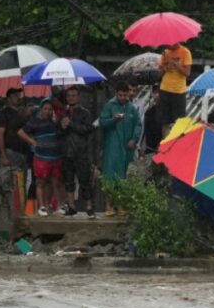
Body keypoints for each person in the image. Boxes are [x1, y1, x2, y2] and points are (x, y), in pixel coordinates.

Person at [18, 100, 69, 217]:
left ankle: (50, 205)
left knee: (55, 182)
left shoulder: (55, 122)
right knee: (41, 182)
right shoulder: (34, 122)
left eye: (50, 109)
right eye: (45, 109)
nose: (48, 111)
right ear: (41, 109)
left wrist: (63, 126)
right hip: (41, 157)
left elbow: (61, 134)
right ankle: (42, 207)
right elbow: (21, 132)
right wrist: (32, 141)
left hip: (55, 157)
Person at [100, 81, 142, 216]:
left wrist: (134, 139)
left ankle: (120, 204)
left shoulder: (131, 108)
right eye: (120, 95)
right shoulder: (110, 105)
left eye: (125, 95)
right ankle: (108, 205)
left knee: (123, 177)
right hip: (113, 147)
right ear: (116, 94)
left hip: (127, 147)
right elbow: (102, 122)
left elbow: (138, 124)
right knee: (110, 175)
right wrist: (113, 120)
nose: (123, 98)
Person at [60, 86, 95, 218]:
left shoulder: (85, 113)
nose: (71, 98)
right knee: (68, 181)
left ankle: (89, 207)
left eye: (74, 95)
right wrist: (61, 126)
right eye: (69, 96)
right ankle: (71, 206)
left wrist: (71, 124)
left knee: (84, 181)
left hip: (81, 152)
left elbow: (87, 129)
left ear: (78, 97)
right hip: (67, 151)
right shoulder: (64, 113)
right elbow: (60, 132)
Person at [157, 42, 192, 137]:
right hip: (165, 89)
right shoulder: (165, 52)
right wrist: (166, 68)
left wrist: (176, 65)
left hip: (178, 91)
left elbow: (187, 73)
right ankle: (165, 144)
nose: (168, 45)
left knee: (179, 121)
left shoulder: (185, 52)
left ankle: (177, 145)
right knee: (165, 121)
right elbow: (159, 73)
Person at [0, 87, 29, 169]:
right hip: (10, 151)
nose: (18, 98)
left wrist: (27, 116)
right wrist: (3, 156)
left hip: (23, 151)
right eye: (15, 96)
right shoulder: (3, 114)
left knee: (22, 179)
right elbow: (0, 135)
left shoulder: (21, 113)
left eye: (19, 95)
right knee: (11, 178)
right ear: (8, 99)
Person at [141, 86, 164, 154]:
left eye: (159, 92)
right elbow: (145, 130)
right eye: (155, 92)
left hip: (163, 147)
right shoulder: (149, 111)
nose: (158, 95)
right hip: (150, 147)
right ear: (153, 94)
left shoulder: (168, 111)